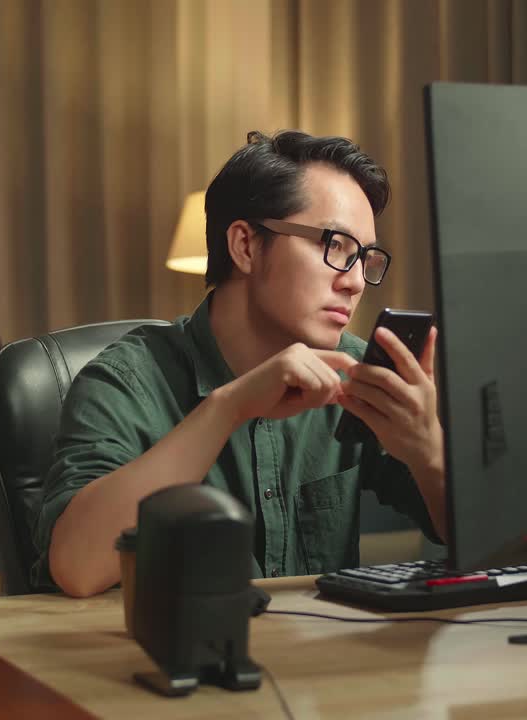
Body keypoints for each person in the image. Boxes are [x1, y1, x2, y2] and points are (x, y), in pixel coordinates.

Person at [36, 130, 447, 597]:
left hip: (323, 644)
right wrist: (230, 407)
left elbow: (489, 542)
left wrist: (428, 450)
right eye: (334, 245)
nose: (354, 282)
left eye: (363, 257)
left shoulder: (354, 373)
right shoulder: (126, 380)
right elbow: (77, 567)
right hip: (180, 644)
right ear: (245, 246)